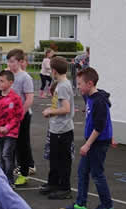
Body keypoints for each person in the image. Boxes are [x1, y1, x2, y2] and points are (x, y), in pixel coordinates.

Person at [60, 67, 114, 209]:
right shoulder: (89, 97)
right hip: (95, 141)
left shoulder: (99, 101)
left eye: (80, 84)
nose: (77, 87)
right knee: (82, 171)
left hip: (98, 142)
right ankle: (80, 204)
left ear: (90, 84)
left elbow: (100, 126)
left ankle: (107, 206)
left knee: (97, 174)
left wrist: (87, 144)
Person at [40, 57, 75, 200]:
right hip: (56, 128)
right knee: (54, 159)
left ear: (54, 71)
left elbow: (66, 109)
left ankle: (65, 188)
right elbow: (59, 107)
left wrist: (50, 112)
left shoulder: (63, 86)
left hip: (63, 130)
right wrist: (52, 111)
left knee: (63, 160)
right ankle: (53, 183)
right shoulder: (60, 84)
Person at [6, 49, 35, 187]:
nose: (10, 64)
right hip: (8, 116)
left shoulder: (25, 77)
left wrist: (20, 115)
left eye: (12, 61)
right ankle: (8, 173)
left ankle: (24, 174)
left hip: (22, 116)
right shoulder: (7, 76)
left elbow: (29, 99)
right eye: (8, 61)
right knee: (8, 146)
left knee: (22, 145)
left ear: (19, 62)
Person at [0, 70, 24, 187]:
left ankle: (10, 180)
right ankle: (3, 179)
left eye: (2, 81)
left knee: (6, 154)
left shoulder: (15, 98)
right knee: (1, 156)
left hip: (11, 132)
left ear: (10, 82)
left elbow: (18, 115)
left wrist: (7, 127)